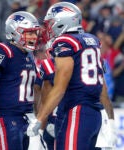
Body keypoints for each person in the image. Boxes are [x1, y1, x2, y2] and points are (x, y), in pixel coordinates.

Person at [27, 2, 116, 150]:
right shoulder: (91, 41)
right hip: (94, 115)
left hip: (76, 111)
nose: (49, 28)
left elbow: (60, 88)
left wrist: (39, 120)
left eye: (51, 23)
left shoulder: (66, 42)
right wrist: (110, 121)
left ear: (64, 22)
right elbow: (102, 89)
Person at [0, 11, 40, 150]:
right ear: (14, 32)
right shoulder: (2, 50)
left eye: (35, 33)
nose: (34, 37)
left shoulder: (28, 55)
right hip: (6, 118)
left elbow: (36, 90)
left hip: (25, 119)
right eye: (29, 33)